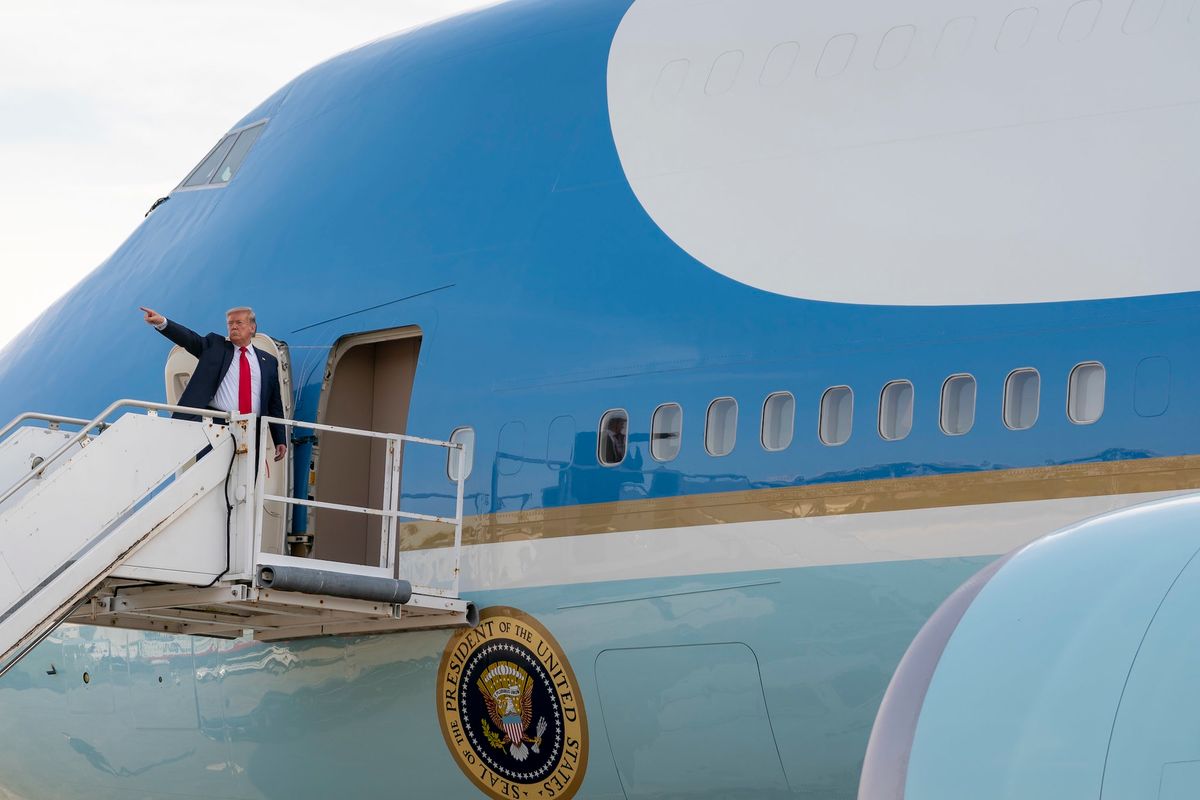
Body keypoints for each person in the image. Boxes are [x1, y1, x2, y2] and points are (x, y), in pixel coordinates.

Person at [140, 306, 287, 462]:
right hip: (216, 426)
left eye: (239, 322)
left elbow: (274, 404)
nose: (234, 327)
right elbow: (189, 338)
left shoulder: (269, 362)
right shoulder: (215, 347)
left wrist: (280, 439)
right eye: (230, 324)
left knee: (246, 482)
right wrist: (162, 322)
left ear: (252, 327)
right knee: (209, 477)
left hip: (253, 430)